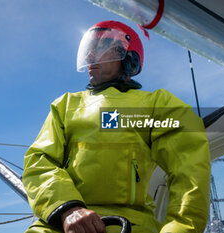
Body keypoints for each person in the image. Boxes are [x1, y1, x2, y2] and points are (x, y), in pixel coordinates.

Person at [22, 20, 211, 233]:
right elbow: (39, 161)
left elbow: (190, 171)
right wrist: (67, 208)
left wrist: (180, 229)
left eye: (101, 48)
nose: (89, 57)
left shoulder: (158, 105)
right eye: (88, 50)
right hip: (61, 224)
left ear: (128, 57)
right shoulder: (65, 106)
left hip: (131, 225)